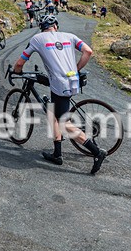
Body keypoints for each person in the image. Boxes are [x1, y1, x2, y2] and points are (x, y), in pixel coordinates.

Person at [12, 14, 108, 174]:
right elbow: (88, 51)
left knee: (63, 122)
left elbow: (21, 61)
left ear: (42, 28)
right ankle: (57, 153)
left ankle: (97, 152)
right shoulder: (70, 36)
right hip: (71, 81)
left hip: (59, 84)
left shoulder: (37, 38)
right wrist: (76, 69)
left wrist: (17, 71)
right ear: (55, 26)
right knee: (53, 113)